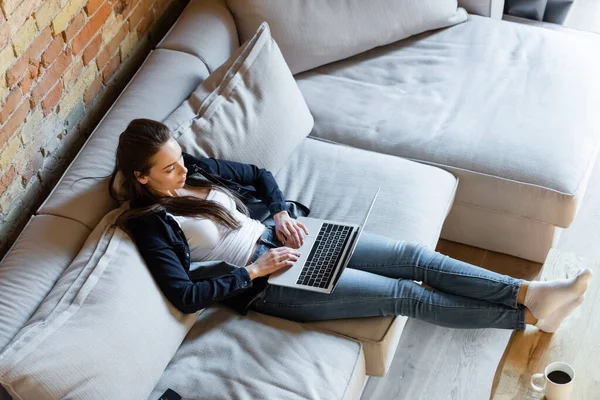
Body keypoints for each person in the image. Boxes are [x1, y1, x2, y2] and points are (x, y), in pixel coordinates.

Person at [110, 118, 592, 333]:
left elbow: (259, 176)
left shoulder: (189, 168)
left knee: (412, 257)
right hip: (269, 280)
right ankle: (526, 316)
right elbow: (184, 294)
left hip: (286, 236)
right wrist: (256, 272)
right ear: (140, 176)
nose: (182, 170)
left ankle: (527, 291)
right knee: (405, 294)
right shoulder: (150, 223)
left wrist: (277, 211)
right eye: (169, 168)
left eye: (178, 159)